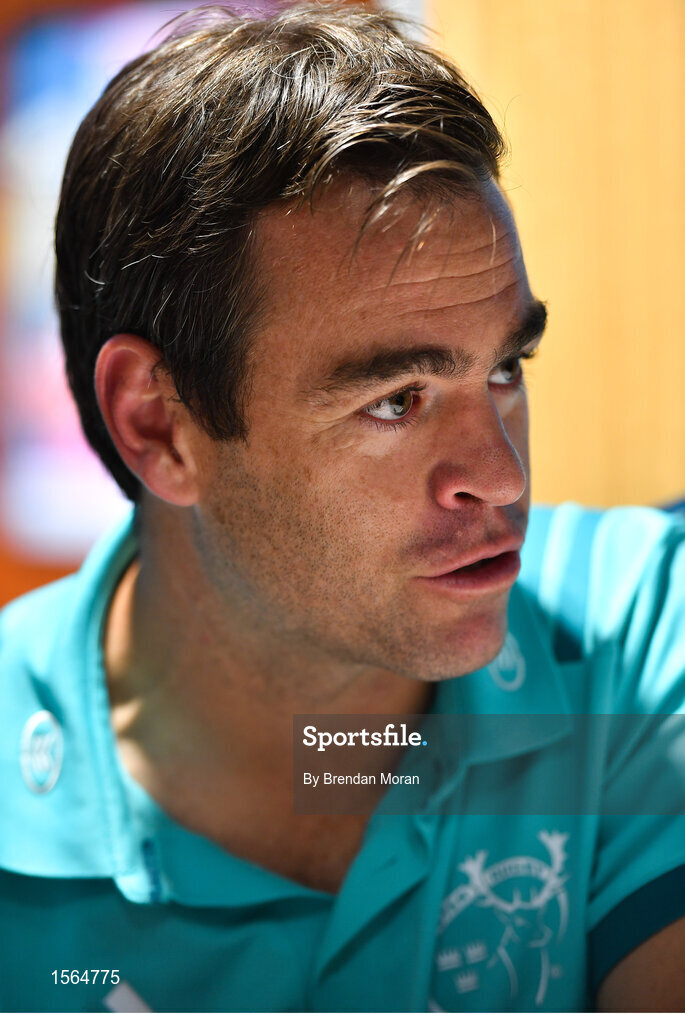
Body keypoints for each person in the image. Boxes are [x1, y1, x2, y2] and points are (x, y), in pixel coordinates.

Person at [1, 3, 684, 1011]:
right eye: (394, 401)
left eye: (504, 370)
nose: (497, 477)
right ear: (159, 425)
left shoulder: (637, 631)